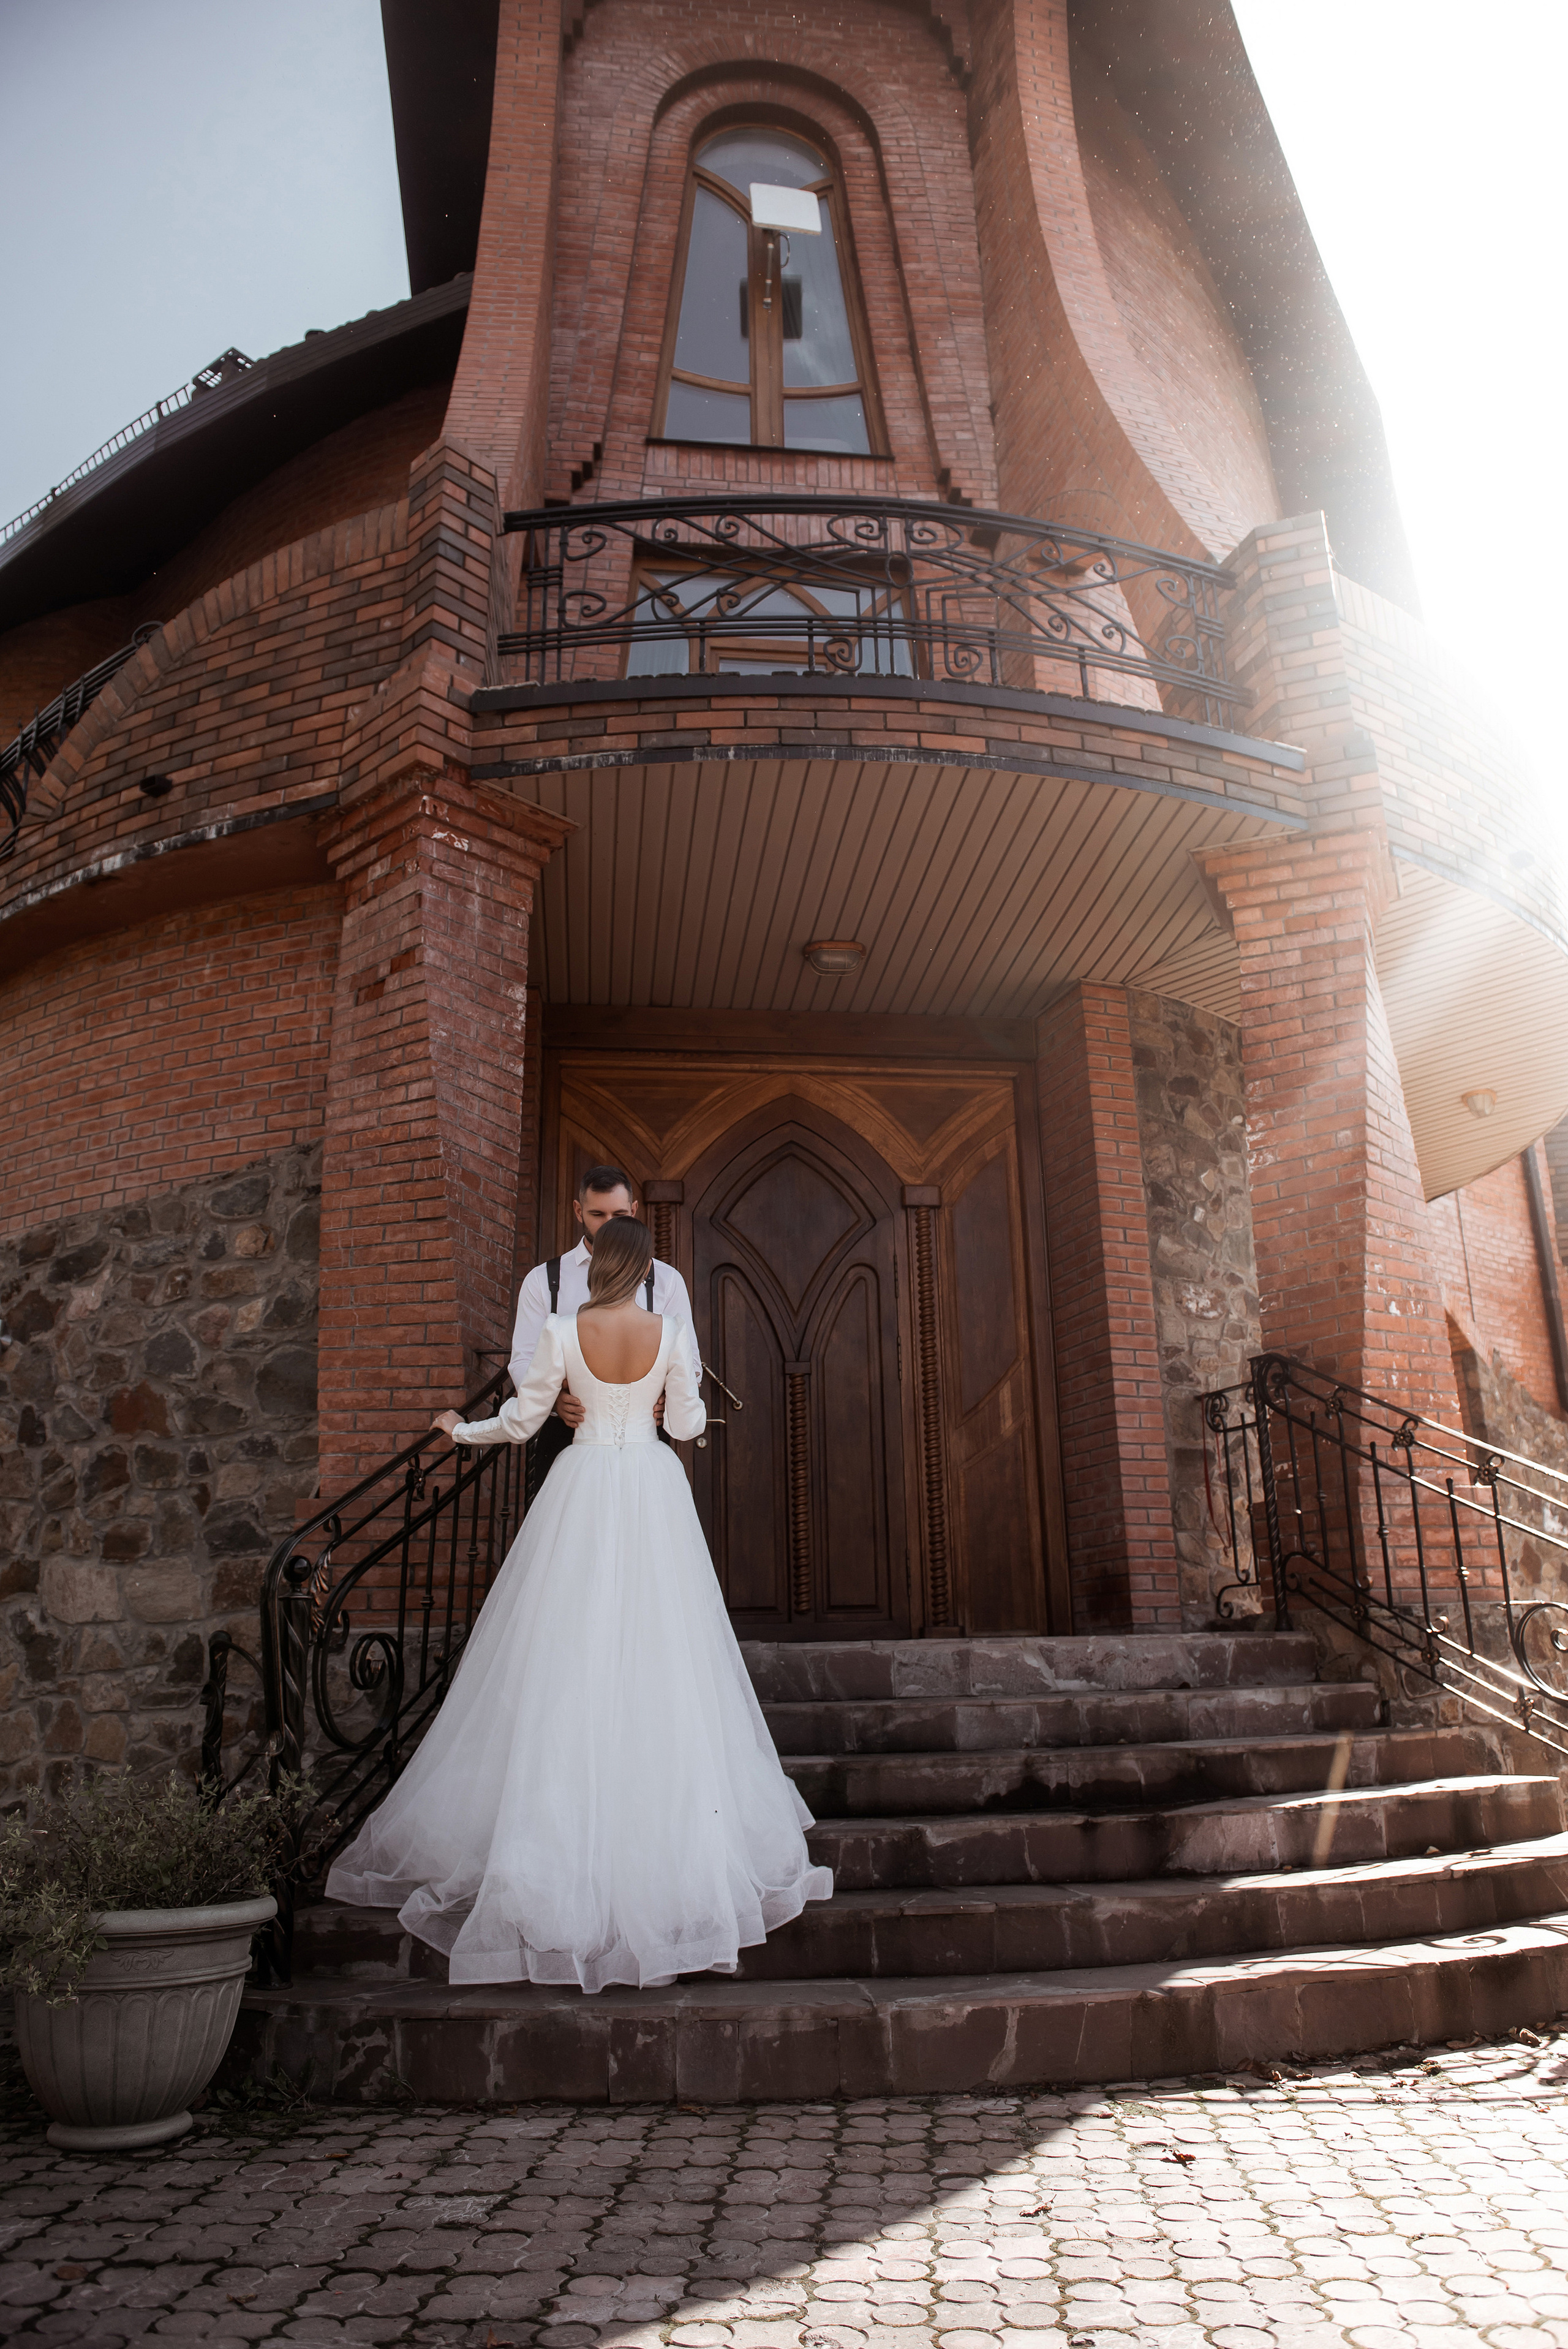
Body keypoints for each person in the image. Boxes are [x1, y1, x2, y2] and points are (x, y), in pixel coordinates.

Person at [325, 1216, 832, 1992]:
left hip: (585, 1483)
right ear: (647, 1269)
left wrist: (460, 1431)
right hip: (652, 1488)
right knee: (664, 1658)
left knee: (566, 1654)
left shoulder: (563, 1331)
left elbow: (524, 1421)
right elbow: (688, 1423)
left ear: (598, 1265)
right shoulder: (670, 1331)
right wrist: (661, 1411)